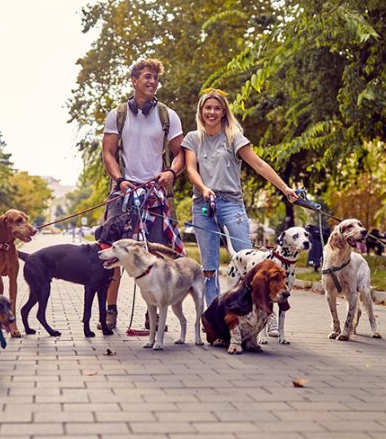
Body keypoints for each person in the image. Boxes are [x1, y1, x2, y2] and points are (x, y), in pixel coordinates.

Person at [182, 88, 299, 308]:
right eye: (208, 108)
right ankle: (215, 319)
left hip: (231, 205)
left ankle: (258, 314)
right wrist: (204, 189)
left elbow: (259, 164)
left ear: (224, 112)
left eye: (217, 108)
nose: (212, 112)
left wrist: (285, 189)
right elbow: (190, 169)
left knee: (250, 264)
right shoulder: (193, 138)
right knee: (209, 268)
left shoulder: (233, 136)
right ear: (201, 111)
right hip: (203, 205)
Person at [100, 58, 185, 331]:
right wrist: (120, 180)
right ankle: (110, 312)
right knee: (113, 252)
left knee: (157, 256)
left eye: (155, 79)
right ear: (134, 81)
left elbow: (181, 154)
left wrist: (171, 173)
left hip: (154, 195)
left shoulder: (167, 115)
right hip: (123, 192)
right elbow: (108, 153)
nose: (152, 82)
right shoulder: (118, 114)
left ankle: (154, 316)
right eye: (146, 77)